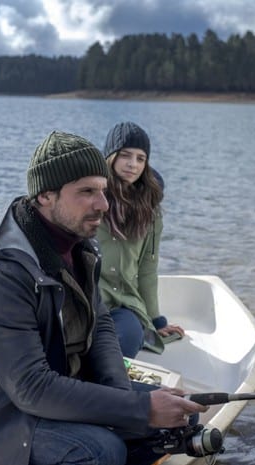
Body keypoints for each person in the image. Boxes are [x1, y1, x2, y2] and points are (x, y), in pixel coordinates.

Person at [0, 131, 206, 465]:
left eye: (103, 190)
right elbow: (31, 387)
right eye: (87, 192)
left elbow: (101, 324)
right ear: (45, 195)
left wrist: (121, 397)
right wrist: (139, 408)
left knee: (181, 418)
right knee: (102, 450)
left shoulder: (79, 247)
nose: (103, 204)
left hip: (59, 388)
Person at [97, 121, 184, 358]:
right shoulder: (91, 199)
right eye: (125, 155)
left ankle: (110, 378)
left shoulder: (150, 212)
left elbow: (147, 269)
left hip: (123, 304)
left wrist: (156, 320)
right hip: (86, 299)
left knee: (128, 338)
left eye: (140, 158)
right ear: (110, 157)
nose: (132, 164)